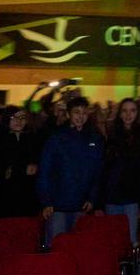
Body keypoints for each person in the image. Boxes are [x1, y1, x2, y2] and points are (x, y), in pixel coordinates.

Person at [37, 96, 105, 245]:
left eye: (84, 113)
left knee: (77, 246)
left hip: (81, 205)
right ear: (68, 114)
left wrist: (92, 198)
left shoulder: (94, 139)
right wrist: (46, 201)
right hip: (58, 205)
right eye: (76, 112)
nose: (80, 116)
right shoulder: (56, 138)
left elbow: (97, 172)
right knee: (57, 246)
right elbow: (45, 170)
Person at [99, 98, 140, 247]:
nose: (128, 115)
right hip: (112, 195)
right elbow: (104, 170)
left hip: (133, 197)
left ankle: (134, 271)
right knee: (114, 240)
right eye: (124, 111)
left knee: (132, 240)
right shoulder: (110, 135)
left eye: (132, 111)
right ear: (119, 113)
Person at [0, 109, 43, 217]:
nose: (19, 121)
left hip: (28, 193)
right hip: (5, 194)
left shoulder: (33, 139)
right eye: (14, 117)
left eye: (23, 118)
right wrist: (21, 169)